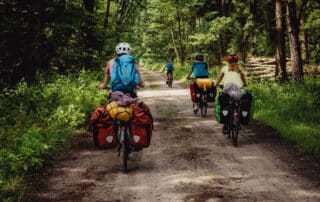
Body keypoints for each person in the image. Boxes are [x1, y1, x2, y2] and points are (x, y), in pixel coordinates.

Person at [215, 53, 247, 133]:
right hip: (238, 89)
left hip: (227, 89)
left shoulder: (225, 68)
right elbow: (243, 79)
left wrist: (217, 84)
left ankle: (226, 124)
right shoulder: (240, 68)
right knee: (240, 101)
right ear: (237, 61)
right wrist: (244, 84)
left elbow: (220, 77)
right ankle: (239, 119)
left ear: (228, 61)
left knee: (226, 103)